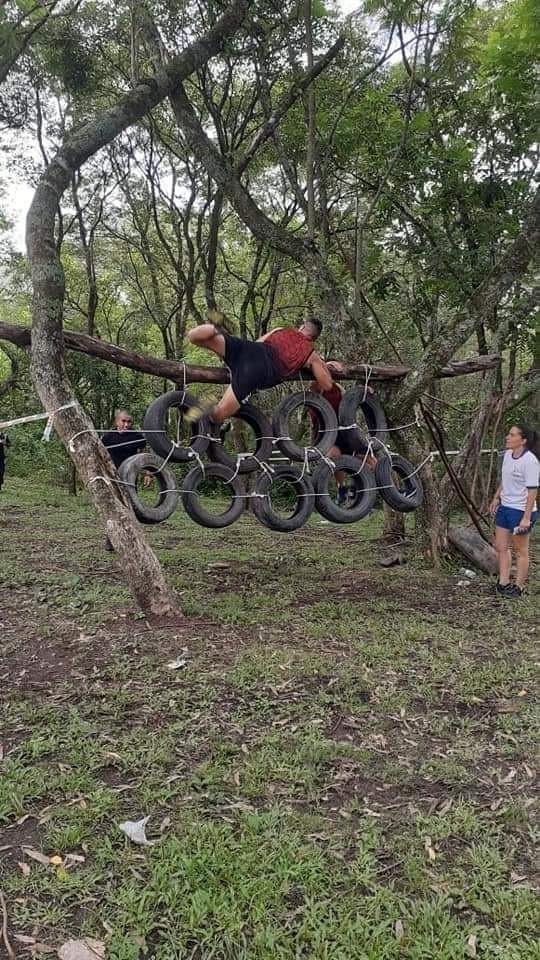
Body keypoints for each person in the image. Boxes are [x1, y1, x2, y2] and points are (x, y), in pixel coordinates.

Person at [186, 312, 336, 424]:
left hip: (247, 349)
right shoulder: (310, 354)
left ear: (302, 327)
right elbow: (326, 384)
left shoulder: (280, 330)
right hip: (257, 371)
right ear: (314, 338)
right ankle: (211, 405)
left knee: (195, 338)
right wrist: (323, 364)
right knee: (218, 416)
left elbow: (259, 341)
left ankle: (216, 328)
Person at [309, 377, 377, 505]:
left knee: (372, 462)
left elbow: (351, 399)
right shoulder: (318, 387)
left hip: (344, 431)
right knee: (334, 456)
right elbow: (313, 386)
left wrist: (364, 391)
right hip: (325, 434)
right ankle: (341, 487)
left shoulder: (339, 388)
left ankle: (356, 485)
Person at [490, 423, 539, 597]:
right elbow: (505, 479)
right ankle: (503, 583)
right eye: (508, 434)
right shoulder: (508, 456)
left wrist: (526, 518)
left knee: (521, 550)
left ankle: (519, 587)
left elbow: (532, 491)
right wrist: (497, 497)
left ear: (523, 440)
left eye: (512, 435)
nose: (507, 437)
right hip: (506, 507)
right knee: (501, 546)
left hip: (521, 511)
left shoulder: (530, 461)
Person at [101, 410, 147, 551]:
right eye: (123, 421)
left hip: (129, 479)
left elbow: (145, 455)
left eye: (129, 422)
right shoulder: (108, 437)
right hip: (112, 478)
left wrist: (148, 473)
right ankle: (111, 541)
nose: (126, 424)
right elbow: (100, 456)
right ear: (116, 422)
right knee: (114, 509)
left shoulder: (136, 436)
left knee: (131, 508)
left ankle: (132, 541)